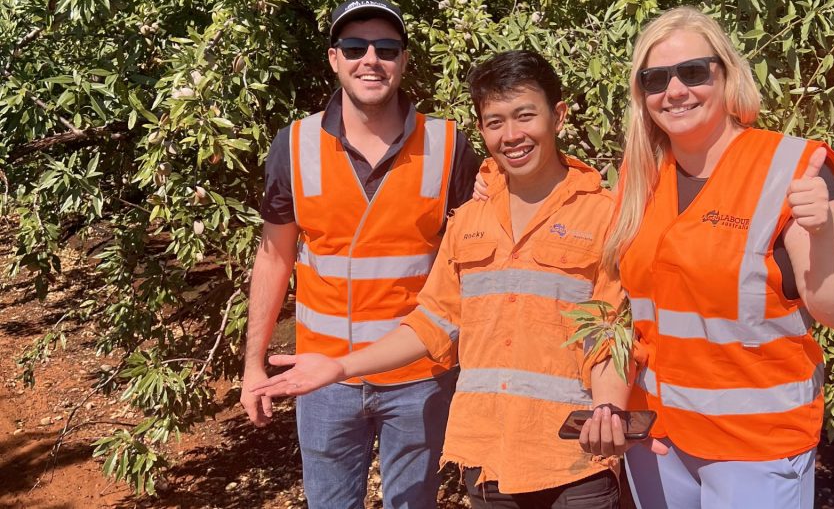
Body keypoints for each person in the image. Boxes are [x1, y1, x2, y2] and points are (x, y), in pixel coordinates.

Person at [251, 49, 626, 509]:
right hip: (488, 457)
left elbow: (613, 334)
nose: (512, 136)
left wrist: (610, 406)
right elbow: (433, 321)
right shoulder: (470, 219)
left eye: (525, 116)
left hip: (574, 459)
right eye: (495, 122)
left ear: (559, 116)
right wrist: (340, 366)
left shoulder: (607, 217)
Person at [579, 6, 834, 509]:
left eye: (693, 72)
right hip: (659, 438)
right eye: (655, 79)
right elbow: (624, 310)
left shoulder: (793, 168)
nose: (675, 91)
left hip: (754, 449)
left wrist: (827, 237)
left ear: (727, 74)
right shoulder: (641, 176)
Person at [240, 0, 479, 509]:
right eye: (354, 47)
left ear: (404, 60)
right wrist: (253, 365)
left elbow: (474, 262)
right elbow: (273, 258)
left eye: (386, 48)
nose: (370, 59)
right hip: (323, 378)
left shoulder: (449, 147)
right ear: (333, 58)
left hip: (420, 376)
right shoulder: (294, 144)